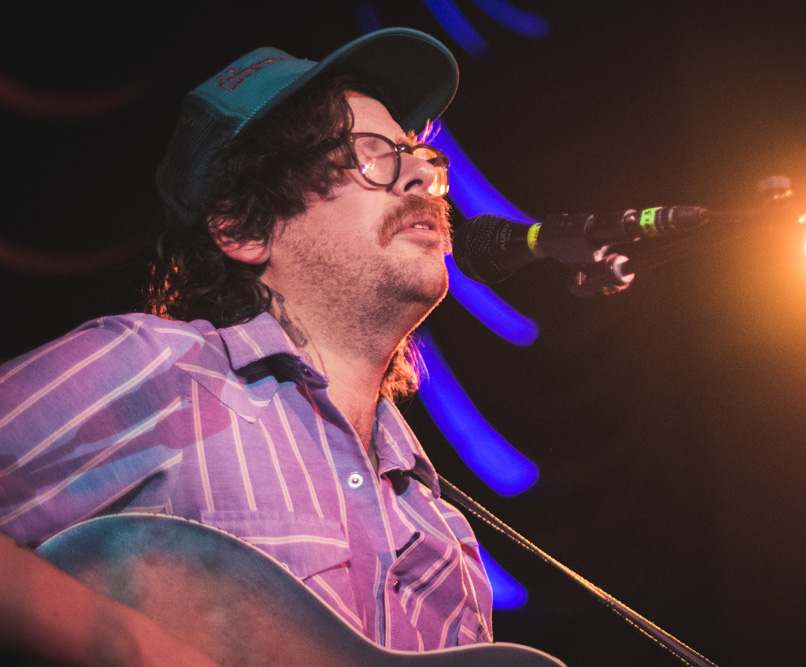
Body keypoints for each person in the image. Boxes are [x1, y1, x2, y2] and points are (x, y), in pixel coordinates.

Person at [0, 27, 494, 665]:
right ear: (242, 225)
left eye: (422, 158)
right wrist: (133, 644)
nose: (422, 179)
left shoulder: (448, 543)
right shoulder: (160, 366)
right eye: (375, 154)